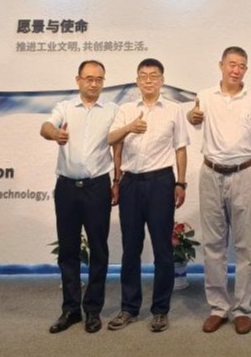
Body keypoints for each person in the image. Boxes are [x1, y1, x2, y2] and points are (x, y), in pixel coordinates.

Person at [188, 46, 251, 335]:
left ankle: (242, 309)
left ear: (246, 69)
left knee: (244, 246)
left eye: (242, 65)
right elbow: (194, 118)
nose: (236, 70)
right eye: (231, 64)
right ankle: (218, 307)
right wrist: (192, 116)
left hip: (245, 173)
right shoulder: (205, 96)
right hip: (211, 173)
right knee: (213, 245)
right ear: (220, 65)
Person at [105, 58, 189, 333]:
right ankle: (129, 308)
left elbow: (180, 148)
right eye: (143, 75)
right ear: (137, 80)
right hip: (130, 182)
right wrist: (117, 179)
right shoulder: (126, 109)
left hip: (161, 182)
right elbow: (113, 141)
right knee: (130, 248)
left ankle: (160, 310)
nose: (149, 80)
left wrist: (181, 183)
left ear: (162, 80)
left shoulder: (174, 110)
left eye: (154, 75)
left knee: (163, 249)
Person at [40, 59, 118, 334]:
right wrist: (55, 134)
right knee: (68, 250)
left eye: (99, 79)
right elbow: (45, 127)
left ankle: (93, 309)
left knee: (98, 249)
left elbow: (118, 145)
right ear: (78, 80)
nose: (94, 84)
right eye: (89, 78)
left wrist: (117, 180)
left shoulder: (112, 110)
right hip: (67, 188)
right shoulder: (65, 107)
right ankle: (71, 309)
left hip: (97, 187)